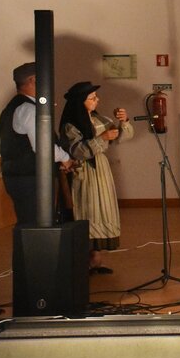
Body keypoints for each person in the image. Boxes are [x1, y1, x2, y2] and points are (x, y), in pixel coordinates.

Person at [59, 81, 134, 274]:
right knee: (88, 211)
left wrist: (123, 121)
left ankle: (95, 258)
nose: (97, 100)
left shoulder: (99, 119)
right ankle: (83, 262)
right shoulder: (70, 125)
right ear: (80, 102)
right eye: (92, 98)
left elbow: (121, 136)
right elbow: (77, 150)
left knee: (102, 210)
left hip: (100, 170)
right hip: (83, 173)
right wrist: (102, 138)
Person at [0, 62, 75, 226]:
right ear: (33, 80)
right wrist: (65, 158)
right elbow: (43, 147)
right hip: (30, 178)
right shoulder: (29, 109)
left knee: (27, 222)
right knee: (35, 224)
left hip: (17, 175)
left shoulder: (11, 108)